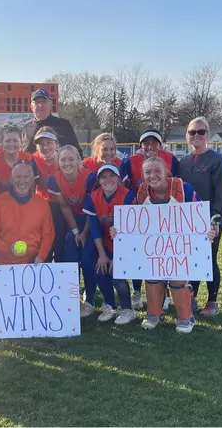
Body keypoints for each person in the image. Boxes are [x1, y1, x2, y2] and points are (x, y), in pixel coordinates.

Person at [121, 156, 216, 334]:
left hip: (178, 246)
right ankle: (154, 314)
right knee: (152, 276)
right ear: (143, 175)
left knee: (178, 278)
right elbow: (132, 220)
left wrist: (208, 230)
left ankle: (186, 316)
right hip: (154, 246)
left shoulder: (182, 188)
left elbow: (198, 215)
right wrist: (119, 231)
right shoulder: (142, 191)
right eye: (148, 172)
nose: (153, 175)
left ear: (166, 172)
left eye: (157, 171)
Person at [179, 117, 222, 317]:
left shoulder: (218, 160)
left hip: (209, 219)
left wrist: (216, 218)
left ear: (207, 135)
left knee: (208, 259)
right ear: (187, 135)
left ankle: (212, 301)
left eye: (201, 132)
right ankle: (191, 296)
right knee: (190, 259)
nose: (196, 136)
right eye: (192, 132)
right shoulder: (183, 162)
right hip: (186, 219)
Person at [120, 128, 179, 310]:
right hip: (140, 214)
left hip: (166, 214)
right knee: (141, 255)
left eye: (154, 143)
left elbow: (177, 184)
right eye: (146, 143)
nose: (150, 146)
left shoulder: (171, 159)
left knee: (163, 255)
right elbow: (123, 186)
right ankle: (137, 291)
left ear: (160, 145)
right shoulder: (130, 162)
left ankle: (165, 293)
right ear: (140, 146)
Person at [83, 164, 137, 325]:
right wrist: (102, 254)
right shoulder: (93, 196)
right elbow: (94, 227)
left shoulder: (127, 195)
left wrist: (118, 256)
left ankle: (128, 309)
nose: (108, 180)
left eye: (112, 175)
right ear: (98, 180)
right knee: (100, 271)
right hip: (105, 242)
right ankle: (110, 305)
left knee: (117, 274)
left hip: (124, 242)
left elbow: (130, 227)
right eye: (103, 176)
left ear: (119, 179)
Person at [47, 145, 97, 317]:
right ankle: (71, 298)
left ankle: (90, 299)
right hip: (73, 221)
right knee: (71, 258)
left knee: (88, 259)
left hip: (91, 220)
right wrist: (76, 232)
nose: (67, 163)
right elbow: (64, 206)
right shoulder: (55, 179)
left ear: (78, 160)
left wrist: (84, 233)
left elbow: (93, 209)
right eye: (63, 159)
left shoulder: (90, 177)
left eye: (71, 159)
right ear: (58, 162)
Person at [0, 160, 55, 265]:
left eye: (26, 177)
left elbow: (48, 234)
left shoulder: (42, 204)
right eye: (18, 177)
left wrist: (41, 256)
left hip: (33, 262)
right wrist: (8, 249)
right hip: (4, 262)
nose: (22, 181)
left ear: (32, 180)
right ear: (12, 179)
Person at [32, 127, 66, 262]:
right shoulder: (33, 160)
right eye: (41, 143)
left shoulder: (64, 158)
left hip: (62, 206)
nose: (45, 147)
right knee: (43, 246)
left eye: (49, 142)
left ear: (56, 143)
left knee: (60, 245)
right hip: (42, 207)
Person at [22, 88, 83, 158]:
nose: (40, 105)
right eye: (37, 102)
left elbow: (76, 151)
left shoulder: (63, 124)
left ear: (50, 104)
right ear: (31, 106)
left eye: (43, 102)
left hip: (59, 167)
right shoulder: (26, 129)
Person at [0, 124, 31, 198]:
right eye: (7, 141)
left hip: (23, 202)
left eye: (15, 140)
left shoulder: (28, 159)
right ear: (2, 143)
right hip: (0, 204)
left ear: (21, 142)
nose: (11, 144)